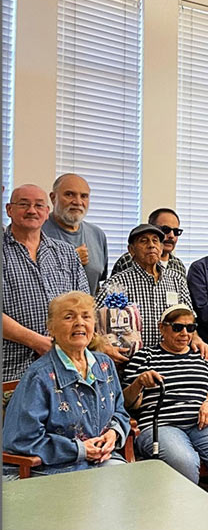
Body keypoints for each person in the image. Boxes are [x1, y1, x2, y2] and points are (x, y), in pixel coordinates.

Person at [121, 304, 208, 515]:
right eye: (177, 327)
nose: (185, 333)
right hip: (160, 425)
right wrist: (139, 383)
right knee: (184, 461)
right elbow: (126, 403)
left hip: (201, 422)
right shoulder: (145, 357)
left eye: (190, 328)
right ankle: (186, 524)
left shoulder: (202, 355)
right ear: (162, 328)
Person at [3, 291, 130, 475]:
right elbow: (20, 440)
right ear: (51, 328)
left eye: (86, 316)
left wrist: (114, 434)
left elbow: (120, 411)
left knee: (135, 492)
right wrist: (79, 449)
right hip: (56, 469)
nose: (79, 322)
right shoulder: (39, 376)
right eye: (69, 317)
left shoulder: (104, 365)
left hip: (103, 462)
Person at [3, 184, 89, 381]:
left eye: (39, 205)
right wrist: (37, 342)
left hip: (65, 367)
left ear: (47, 212)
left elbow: (84, 306)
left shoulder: (66, 252)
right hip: (12, 370)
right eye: (24, 204)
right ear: (9, 209)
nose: (32, 210)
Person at [95, 224, 208, 359]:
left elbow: (188, 318)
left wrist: (195, 338)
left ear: (161, 248)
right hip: (130, 362)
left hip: (170, 360)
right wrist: (103, 346)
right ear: (131, 250)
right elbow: (92, 319)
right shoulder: (116, 283)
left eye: (155, 240)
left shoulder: (177, 280)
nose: (151, 245)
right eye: (143, 241)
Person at [42, 173, 108, 295]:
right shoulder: (37, 232)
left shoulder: (98, 235)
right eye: (69, 194)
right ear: (53, 198)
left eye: (84, 196)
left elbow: (97, 285)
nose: (77, 202)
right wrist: (71, 259)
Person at [111, 208, 186, 278]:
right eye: (165, 229)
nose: (171, 236)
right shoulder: (128, 260)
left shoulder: (179, 265)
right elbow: (114, 289)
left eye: (176, 231)